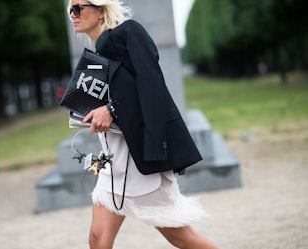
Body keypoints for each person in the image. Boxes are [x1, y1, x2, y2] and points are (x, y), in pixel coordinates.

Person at [67, 1, 219, 248]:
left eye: (78, 8)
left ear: (100, 10)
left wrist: (112, 109)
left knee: (182, 237)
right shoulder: (95, 57)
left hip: (139, 160)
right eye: (70, 10)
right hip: (112, 160)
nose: (72, 15)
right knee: (97, 239)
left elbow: (152, 85)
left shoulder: (129, 33)